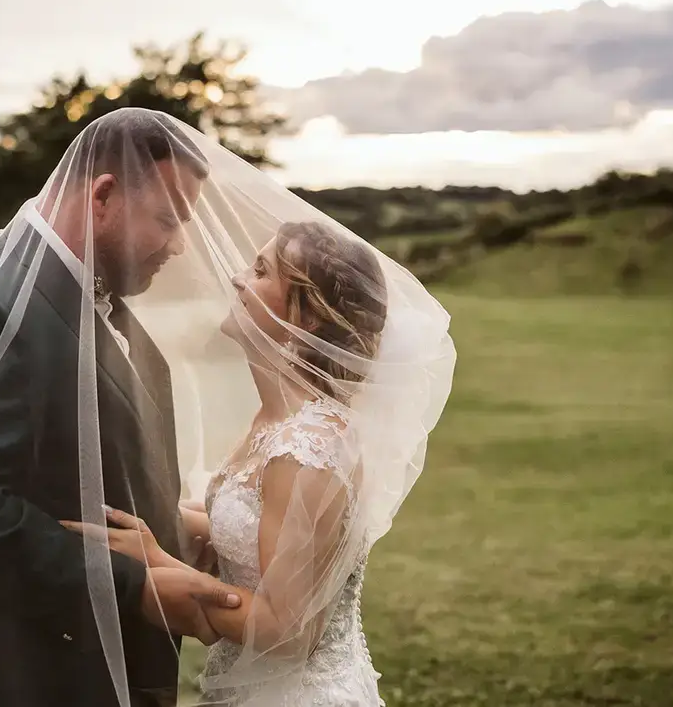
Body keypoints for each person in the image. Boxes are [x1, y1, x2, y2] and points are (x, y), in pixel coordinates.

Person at [0, 107, 454, 707]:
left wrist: (164, 549)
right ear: (104, 196)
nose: (182, 247)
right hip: (18, 675)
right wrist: (133, 578)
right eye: (169, 218)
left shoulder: (111, 313)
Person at [64, 218, 455, 705]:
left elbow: (288, 633)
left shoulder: (307, 448)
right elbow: (253, 525)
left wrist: (158, 563)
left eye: (261, 270)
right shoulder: (275, 422)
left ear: (306, 318)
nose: (237, 278)